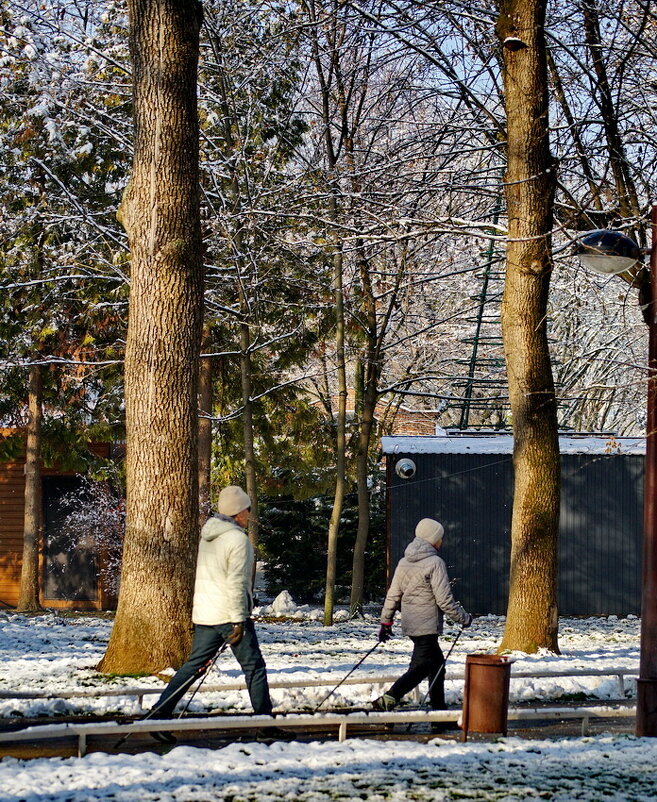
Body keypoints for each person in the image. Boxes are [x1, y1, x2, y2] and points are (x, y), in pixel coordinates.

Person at [150, 485, 275, 743]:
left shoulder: (208, 536)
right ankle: (265, 724)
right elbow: (237, 583)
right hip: (229, 615)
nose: (249, 514)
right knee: (254, 668)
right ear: (239, 512)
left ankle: (158, 714)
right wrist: (240, 619)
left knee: (192, 667)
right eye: (248, 509)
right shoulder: (238, 540)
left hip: (206, 614)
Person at [373, 517, 472, 731]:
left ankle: (439, 718)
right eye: (440, 538)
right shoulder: (436, 563)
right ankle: (387, 700)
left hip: (411, 623)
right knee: (421, 669)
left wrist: (386, 622)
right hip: (427, 626)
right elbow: (444, 600)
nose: (441, 542)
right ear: (432, 539)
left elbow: (393, 595)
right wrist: (464, 618)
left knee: (437, 668)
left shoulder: (403, 562)